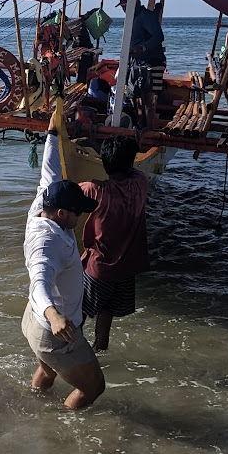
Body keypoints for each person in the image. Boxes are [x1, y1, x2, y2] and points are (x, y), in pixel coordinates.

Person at [22, 115, 106, 410]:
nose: (80, 216)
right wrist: (55, 316)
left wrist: (53, 135)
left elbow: (49, 170)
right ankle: (64, 426)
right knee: (93, 387)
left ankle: (33, 407)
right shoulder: (47, 243)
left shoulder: (42, 204)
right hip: (54, 328)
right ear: (61, 213)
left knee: (48, 369)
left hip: (34, 322)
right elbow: (39, 282)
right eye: (77, 212)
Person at [79, 135, 149, 351]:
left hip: (99, 268)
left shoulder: (95, 190)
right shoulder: (140, 183)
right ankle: (100, 349)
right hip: (126, 267)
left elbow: (67, 193)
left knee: (78, 313)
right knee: (107, 311)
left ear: (105, 163)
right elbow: (133, 170)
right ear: (130, 162)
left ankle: (71, 355)